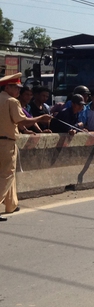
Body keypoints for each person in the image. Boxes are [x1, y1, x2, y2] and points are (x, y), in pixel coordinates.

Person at [0, 73, 52, 220]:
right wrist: (41, 118)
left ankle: (11, 204)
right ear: (8, 87)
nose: (18, 91)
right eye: (16, 87)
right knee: (7, 175)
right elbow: (21, 121)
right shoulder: (12, 101)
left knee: (7, 174)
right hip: (6, 142)